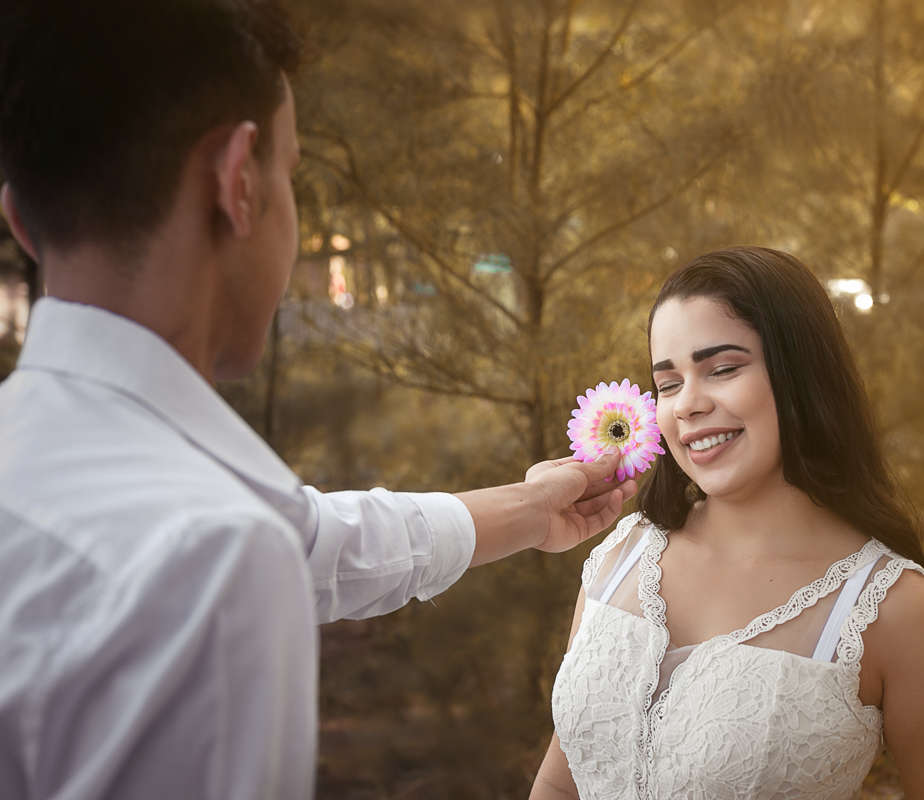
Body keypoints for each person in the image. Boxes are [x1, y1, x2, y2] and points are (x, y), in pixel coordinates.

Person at [0, 1, 636, 799]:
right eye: (293, 174)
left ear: (22, 220)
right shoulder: (212, 556)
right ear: (238, 181)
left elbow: (321, 542)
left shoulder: (52, 465)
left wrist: (530, 508)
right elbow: (267, 543)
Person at [532, 247, 924, 799]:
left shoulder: (898, 610)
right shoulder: (622, 555)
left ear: (800, 374)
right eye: (668, 383)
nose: (687, 404)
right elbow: (560, 783)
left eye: (723, 369)